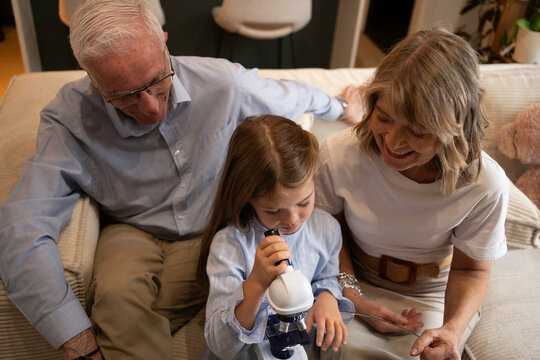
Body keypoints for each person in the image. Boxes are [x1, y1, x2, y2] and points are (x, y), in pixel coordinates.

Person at [0, 1, 363, 360]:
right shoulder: (69, 118)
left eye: (157, 80)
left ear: (165, 43)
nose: (151, 108)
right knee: (117, 293)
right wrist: (76, 341)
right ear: (91, 77)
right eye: (124, 96)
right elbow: (23, 227)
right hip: (131, 228)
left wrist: (345, 108)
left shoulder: (221, 82)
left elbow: (289, 93)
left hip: (212, 226)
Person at [315, 27, 509, 360]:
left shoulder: (485, 184)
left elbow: (470, 270)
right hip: (353, 280)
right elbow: (326, 234)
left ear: (454, 128)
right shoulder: (339, 155)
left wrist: (451, 330)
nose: (391, 142)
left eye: (417, 131)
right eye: (384, 117)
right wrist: (353, 296)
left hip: (432, 295)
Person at [199, 115, 354, 359]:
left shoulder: (326, 229)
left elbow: (328, 276)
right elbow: (221, 346)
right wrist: (256, 283)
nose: (292, 219)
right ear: (247, 198)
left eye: (304, 202)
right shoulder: (230, 244)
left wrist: (327, 296)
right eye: (273, 210)